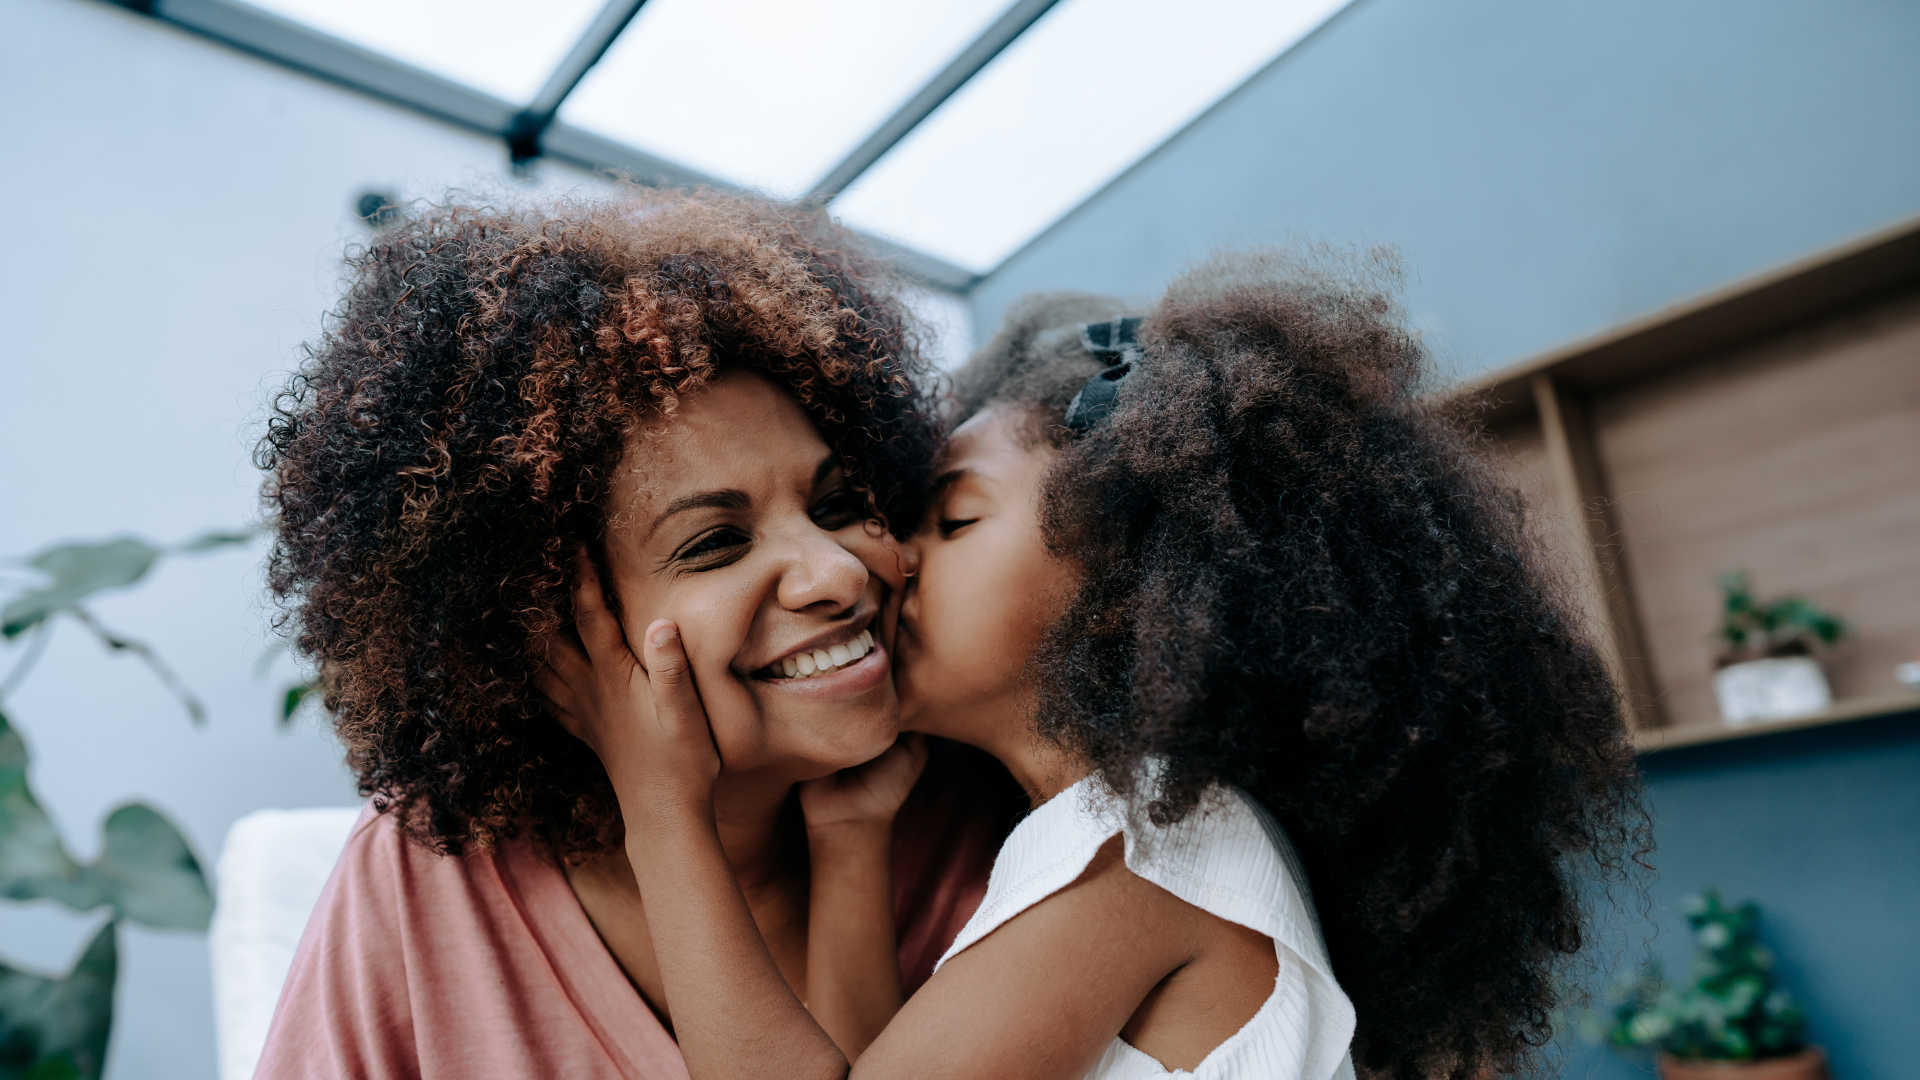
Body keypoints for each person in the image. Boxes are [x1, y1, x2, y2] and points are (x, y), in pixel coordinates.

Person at [546, 253, 1645, 1080]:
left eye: (953, 519)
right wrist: (850, 834)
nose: (880, 556)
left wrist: (662, 813)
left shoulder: (1143, 857)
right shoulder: (1105, 846)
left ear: (1131, 593)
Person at [250, 190, 1022, 1080]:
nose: (839, 574)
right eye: (715, 543)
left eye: (839, 504)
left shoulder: (983, 816)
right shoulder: (426, 877)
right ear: (540, 633)